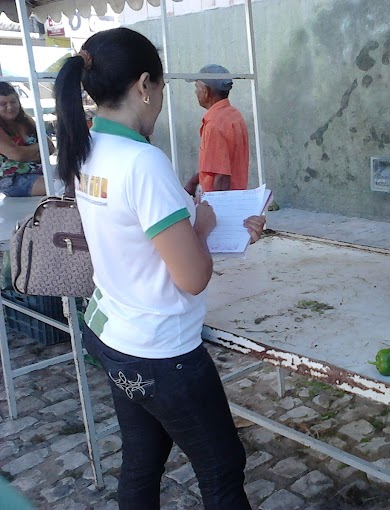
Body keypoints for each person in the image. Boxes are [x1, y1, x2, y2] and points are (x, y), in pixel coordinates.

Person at [54, 28, 264, 509]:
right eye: (165, 88)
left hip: (113, 336)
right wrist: (205, 225)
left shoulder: (87, 147)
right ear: (146, 85)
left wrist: (190, 216)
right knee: (222, 467)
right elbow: (192, 277)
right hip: (161, 352)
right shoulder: (143, 162)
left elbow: (136, 236)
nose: (163, 101)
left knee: (141, 462)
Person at [184, 64, 249, 196]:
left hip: (223, 205)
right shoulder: (233, 114)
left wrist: (216, 210)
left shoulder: (214, 124)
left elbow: (222, 177)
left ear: (206, 92)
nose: (195, 92)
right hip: (236, 198)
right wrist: (193, 182)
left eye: (197, 87)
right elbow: (217, 164)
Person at [0, 81, 54, 197]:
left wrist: (25, 153)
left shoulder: (26, 121)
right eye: (3, 104)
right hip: (12, 180)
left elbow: (50, 147)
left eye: (13, 102)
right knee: (56, 188)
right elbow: (16, 154)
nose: (10, 107)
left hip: (39, 173)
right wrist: (38, 149)